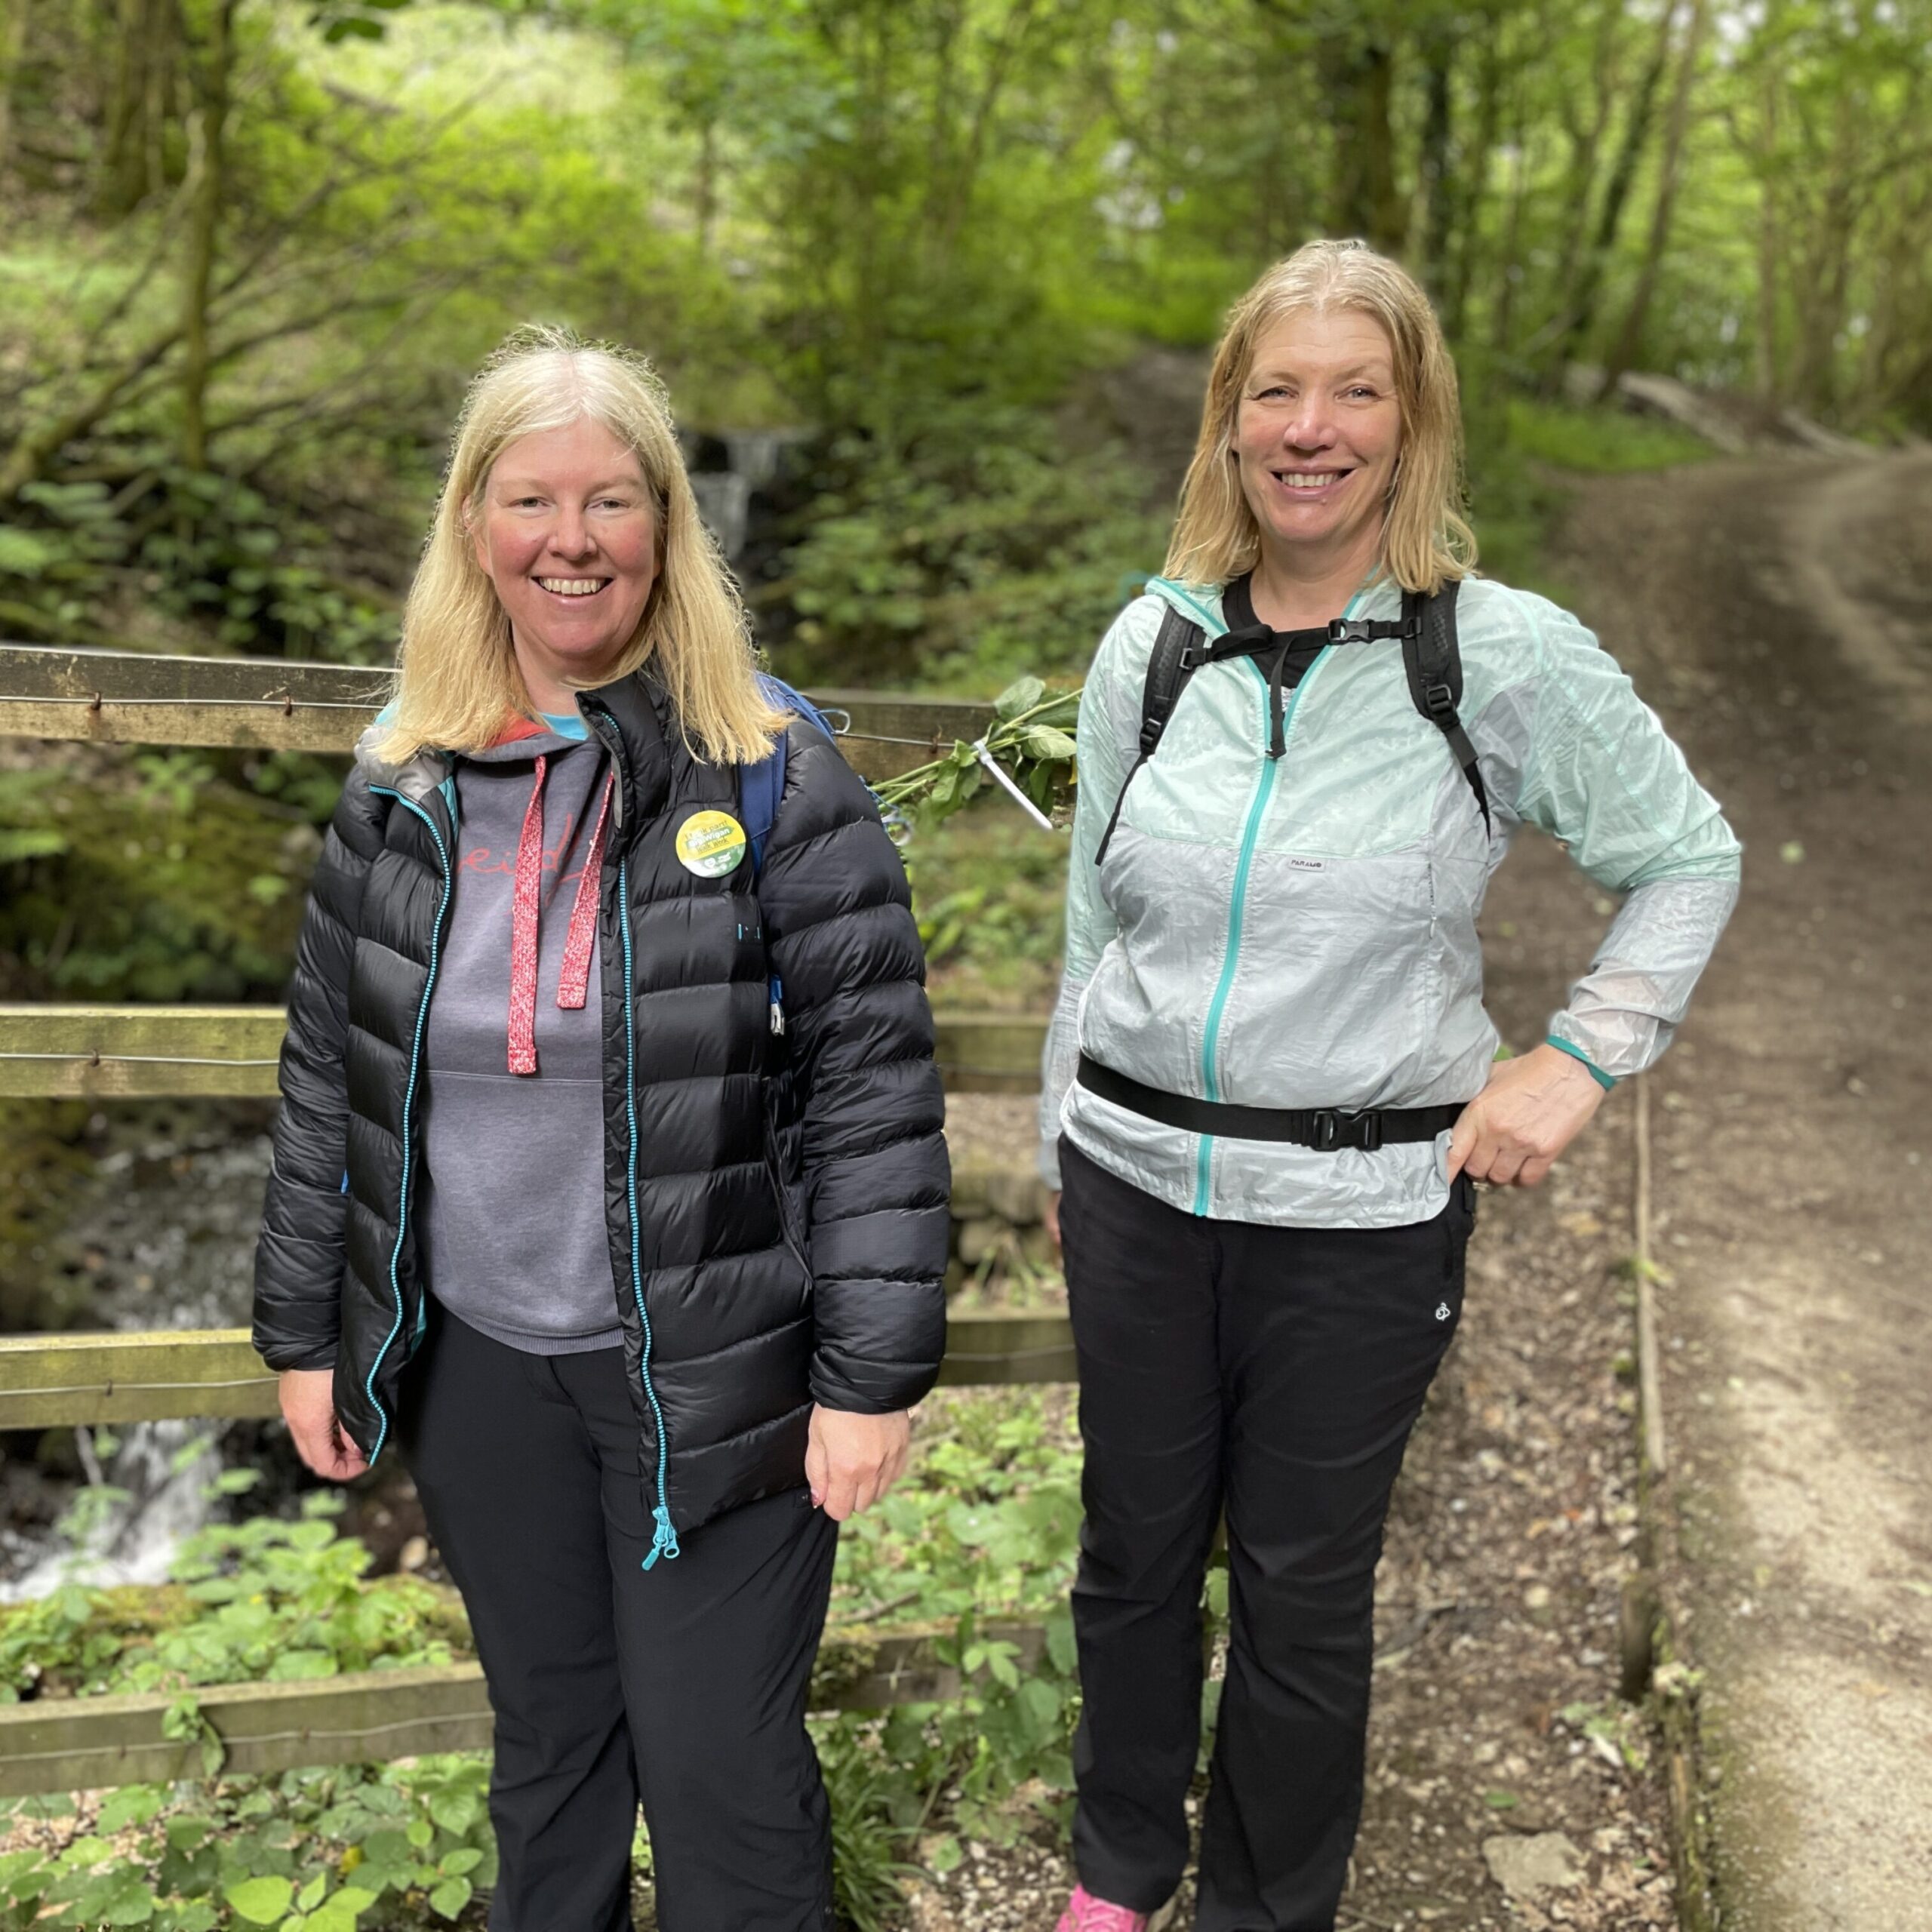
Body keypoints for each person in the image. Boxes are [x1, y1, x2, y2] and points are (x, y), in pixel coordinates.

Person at [1038, 241, 1740, 1932]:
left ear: (1410, 422)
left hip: (1356, 1218)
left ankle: (1258, 1912)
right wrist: (1069, 1144)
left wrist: (1573, 1059)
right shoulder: (1152, 646)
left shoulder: (1493, 655)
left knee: (1297, 1586)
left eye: (1354, 390)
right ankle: (1115, 1875)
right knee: (1130, 1561)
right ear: (1226, 423)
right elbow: (1088, 924)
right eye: (1274, 389)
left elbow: (1687, 855)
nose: (1309, 426)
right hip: (1133, 1185)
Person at [251, 326, 949, 1932]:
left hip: (715, 1367)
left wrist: (867, 1375)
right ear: (473, 526)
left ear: (664, 526)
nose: (570, 539)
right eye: (530, 499)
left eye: (610, 500)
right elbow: (326, 1078)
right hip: (482, 1363)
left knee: (719, 1769)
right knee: (551, 1747)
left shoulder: (771, 768)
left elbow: (870, 1087)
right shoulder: (401, 777)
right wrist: (309, 1332)